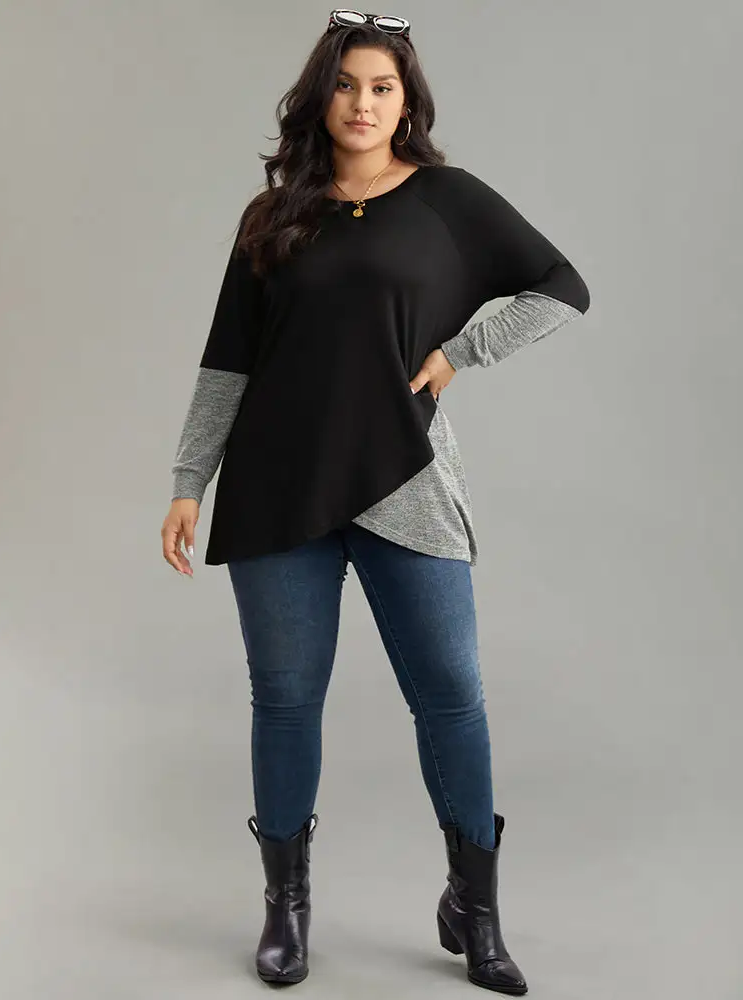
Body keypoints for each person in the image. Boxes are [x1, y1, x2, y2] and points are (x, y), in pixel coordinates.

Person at [161, 8, 590, 995]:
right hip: (277, 483)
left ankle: (476, 910)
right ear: (322, 97)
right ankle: (286, 908)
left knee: (451, 695)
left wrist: (460, 352)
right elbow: (228, 362)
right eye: (347, 85)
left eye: (382, 87)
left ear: (407, 102)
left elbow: (561, 285)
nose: (363, 103)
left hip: (407, 479)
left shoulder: (446, 200)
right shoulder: (274, 216)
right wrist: (189, 481)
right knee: (285, 699)